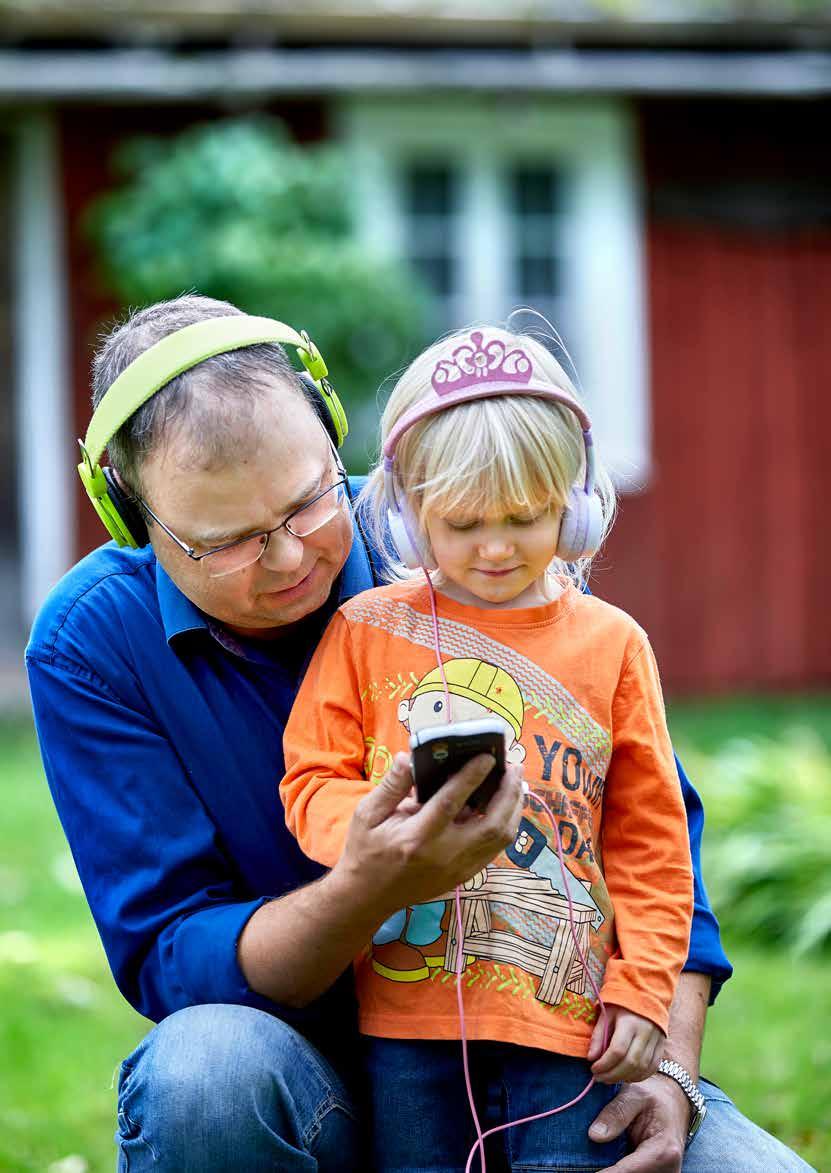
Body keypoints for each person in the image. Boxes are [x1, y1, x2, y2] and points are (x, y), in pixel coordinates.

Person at [25, 294, 813, 1172]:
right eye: (230, 542)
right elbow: (173, 954)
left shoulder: (452, 530)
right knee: (206, 1078)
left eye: (307, 502)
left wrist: (670, 1066)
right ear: (134, 518)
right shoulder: (90, 643)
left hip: (552, 1052)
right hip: (298, 1081)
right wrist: (367, 883)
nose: (290, 558)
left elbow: (651, 833)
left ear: (333, 441)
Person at [279, 323, 694, 1170]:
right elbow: (310, 775)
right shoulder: (364, 630)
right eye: (464, 523)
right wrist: (373, 833)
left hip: (569, 1026)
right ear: (405, 511)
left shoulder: (614, 644)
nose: (498, 546)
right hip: (404, 1024)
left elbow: (652, 840)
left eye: (527, 516)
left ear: (571, 505)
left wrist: (644, 988)